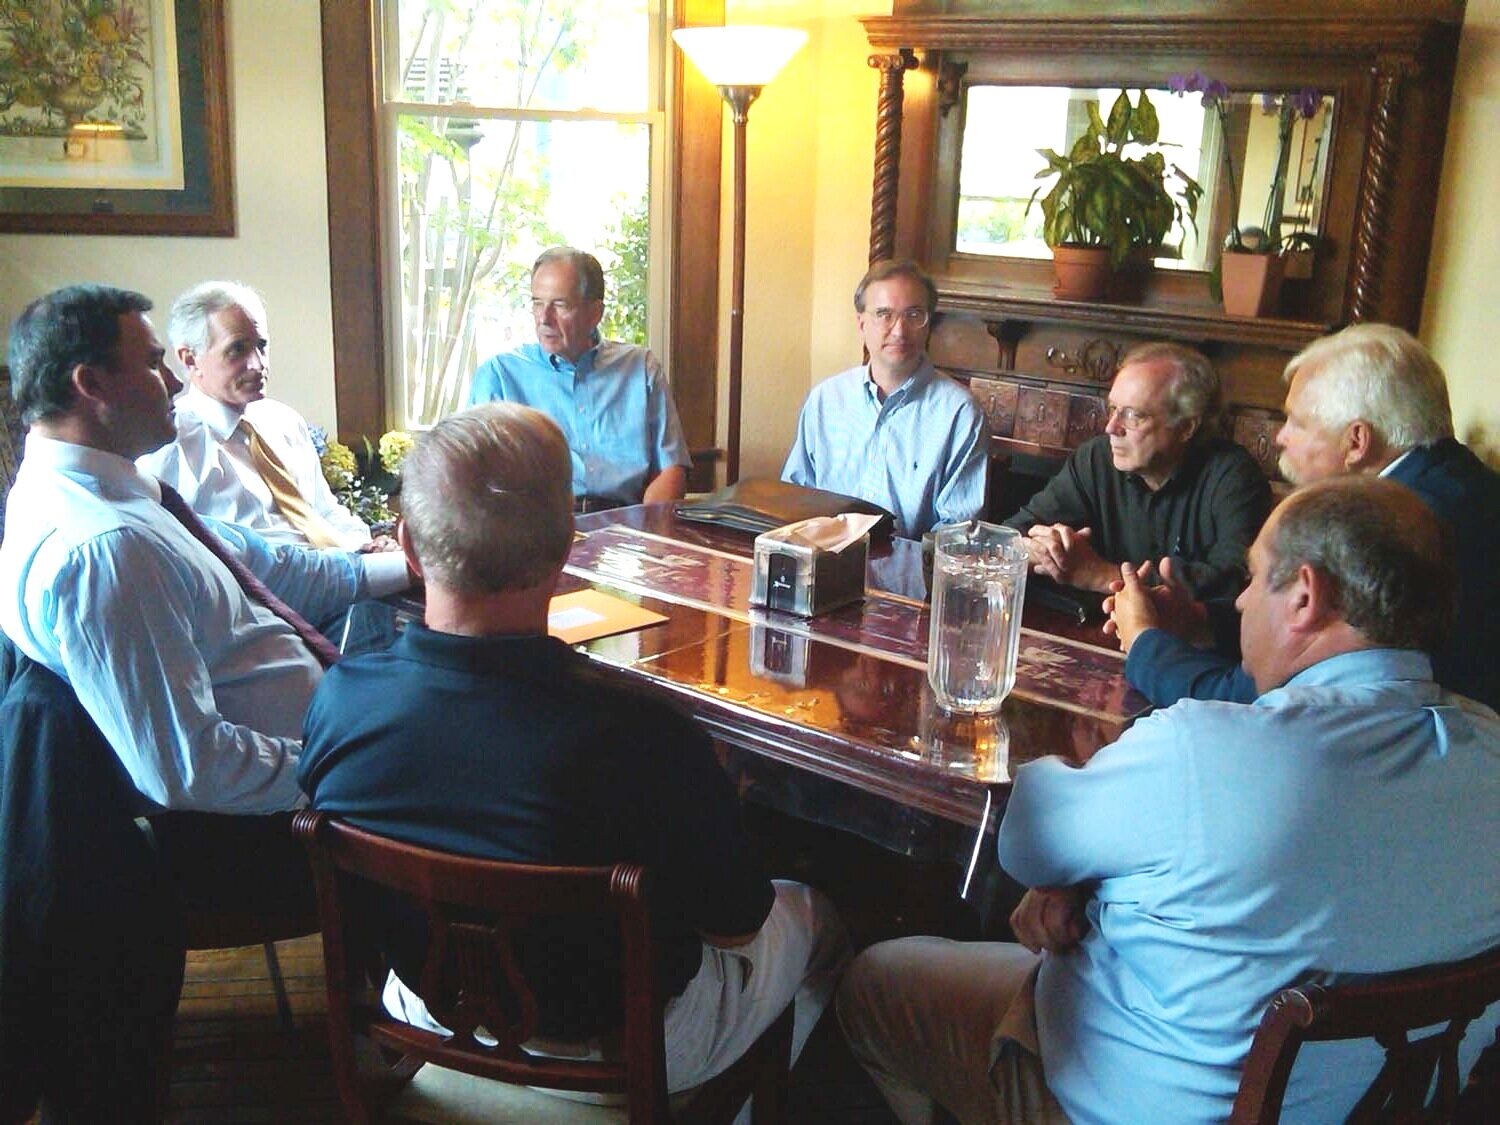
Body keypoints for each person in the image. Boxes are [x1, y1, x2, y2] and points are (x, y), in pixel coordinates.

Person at [838, 476, 1500, 1123]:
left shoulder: (1207, 749)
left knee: (872, 982)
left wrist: (1082, 882)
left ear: (1304, 596)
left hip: (1114, 1094)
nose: (1238, 604)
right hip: (1400, 1103)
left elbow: (1027, 839)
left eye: (1251, 578)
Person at [298, 402, 846, 1100]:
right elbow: (737, 925)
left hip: (428, 1010)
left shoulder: (340, 700)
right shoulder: (644, 735)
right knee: (818, 917)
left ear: (405, 545)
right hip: (624, 1046)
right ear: (566, 551)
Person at [0, 285, 410, 911]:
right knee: (473, 760)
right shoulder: (105, 550)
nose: (172, 378)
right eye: (154, 361)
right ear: (91, 384)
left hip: (307, 761)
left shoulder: (115, 486)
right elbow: (186, 768)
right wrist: (337, 768)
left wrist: (404, 567)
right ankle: (433, 986)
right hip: (267, 834)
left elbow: (270, 567)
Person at [1112, 323, 1500, 711]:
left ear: (1356, 442)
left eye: (1296, 421)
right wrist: (1201, 621)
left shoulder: (1385, 531)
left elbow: (1248, 703)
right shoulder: (1466, 485)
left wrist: (1145, 642)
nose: (1280, 437)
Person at [139, 281, 407, 648]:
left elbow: (325, 510)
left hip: (346, 582)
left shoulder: (282, 420)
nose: (258, 364)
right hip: (267, 613)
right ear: (189, 359)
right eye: (237, 350)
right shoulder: (170, 447)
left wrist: (368, 543)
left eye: (261, 346)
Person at [1002, 341, 1270, 599]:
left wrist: (1100, 576)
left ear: (1186, 427)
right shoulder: (1097, 458)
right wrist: (1040, 549)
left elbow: (1236, 580)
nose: (1111, 428)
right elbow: (1013, 533)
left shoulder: (1234, 476)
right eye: (1113, 409)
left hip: (1190, 641)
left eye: (1133, 415)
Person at [468, 246, 690, 510]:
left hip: (626, 522)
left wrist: (647, 535)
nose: (544, 318)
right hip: (534, 530)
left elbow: (670, 469)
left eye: (559, 305)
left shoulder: (639, 368)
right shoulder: (500, 375)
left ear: (594, 313)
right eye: (537, 302)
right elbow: (472, 477)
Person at [782, 258, 989, 539]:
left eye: (914, 315)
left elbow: (957, 535)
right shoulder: (825, 400)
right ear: (861, 323)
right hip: (823, 566)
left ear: (928, 325)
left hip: (909, 578)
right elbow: (792, 502)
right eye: (884, 314)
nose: (899, 330)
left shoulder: (960, 413)